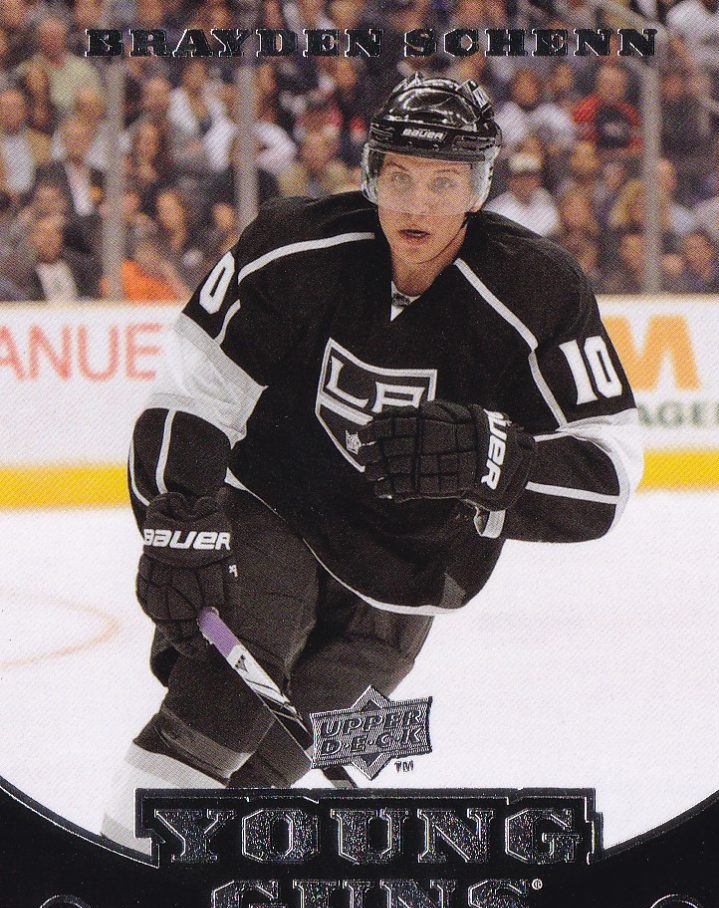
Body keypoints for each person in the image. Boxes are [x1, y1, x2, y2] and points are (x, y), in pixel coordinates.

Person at [103, 74, 643, 851]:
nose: (417, 205)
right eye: (399, 177)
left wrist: (494, 459)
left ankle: (188, 892)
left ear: (478, 189)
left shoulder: (537, 287)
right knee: (219, 709)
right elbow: (193, 392)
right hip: (275, 504)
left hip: (409, 574)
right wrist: (177, 517)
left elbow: (607, 473)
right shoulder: (293, 243)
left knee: (292, 761)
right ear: (369, 176)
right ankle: (113, 879)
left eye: (443, 183)